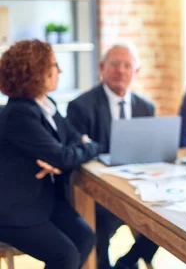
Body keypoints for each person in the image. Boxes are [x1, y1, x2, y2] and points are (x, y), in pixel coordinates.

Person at [0, 40, 100, 269]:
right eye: (55, 65)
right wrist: (91, 147)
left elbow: (70, 141)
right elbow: (63, 156)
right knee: (65, 256)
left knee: (85, 237)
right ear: (37, 72)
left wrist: (67, 153)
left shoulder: (45, 104)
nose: (60, 71)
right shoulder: (19, 113)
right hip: (14, 208)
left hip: (42, 199)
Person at [67, 44, 156, 269]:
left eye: (128, 66)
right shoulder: (81, 106)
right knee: (100, 223)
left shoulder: (146, 107)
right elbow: (77, 153)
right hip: (100, 192)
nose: (121, 71)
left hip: (139, 188)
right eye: (115, 64)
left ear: (136, 72)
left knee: (166, 220)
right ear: (102, 67)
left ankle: (127, 262)